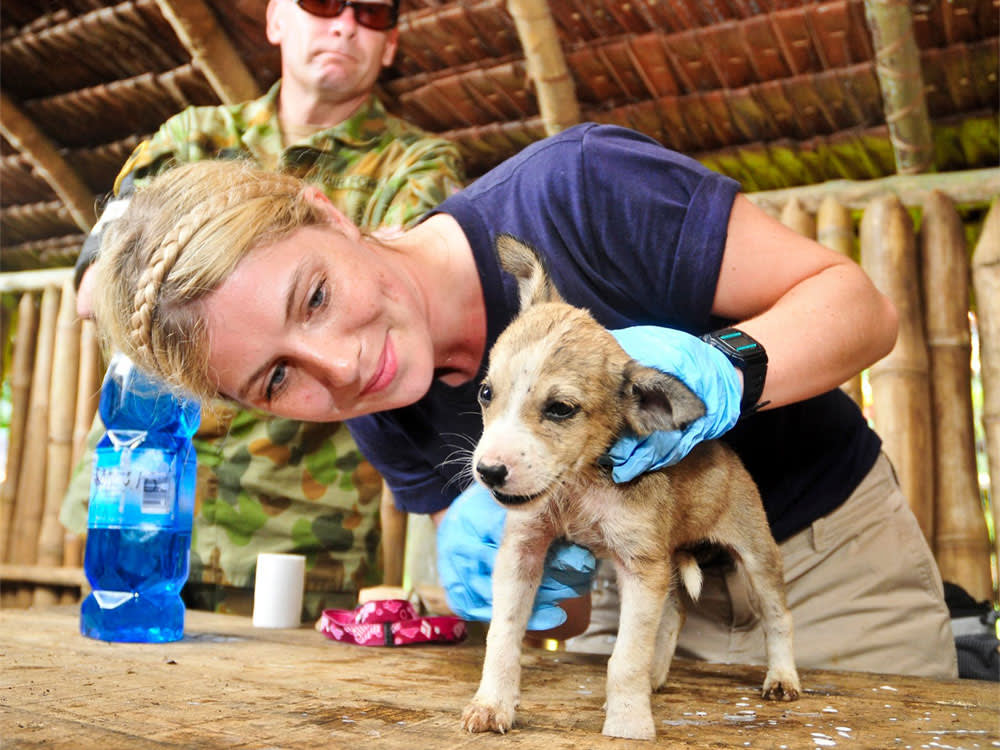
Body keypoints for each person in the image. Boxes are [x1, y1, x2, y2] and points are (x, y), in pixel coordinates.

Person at [87, 122, 958, 679]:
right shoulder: (380, 416)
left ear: (327, 212)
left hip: (825, 558)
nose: (340, 367)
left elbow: (860, 306)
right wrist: (524, 561)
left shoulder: (580, 190)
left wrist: (719, 365)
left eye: (312, 298)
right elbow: (563, 613)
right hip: (632, 594)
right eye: (278, 378)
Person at [60, 0, 465, 618]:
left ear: (390, 47)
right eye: (323, 3)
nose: (345, 23)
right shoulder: (191, 136)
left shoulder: (416, 164)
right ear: (276, 18)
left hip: (301, 530)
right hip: (138, 502)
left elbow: (392, 308)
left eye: (374, 12)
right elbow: (96, 287)